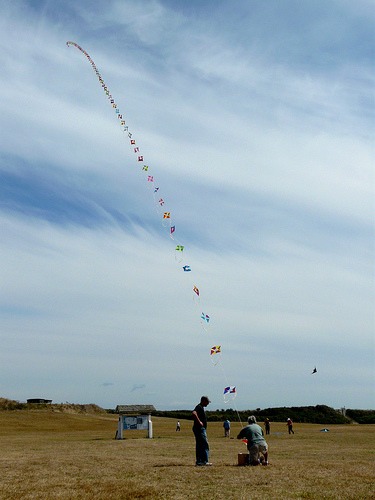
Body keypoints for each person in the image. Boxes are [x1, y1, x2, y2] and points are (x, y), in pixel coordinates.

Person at [192, 396, 212, 466]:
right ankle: (204, 461)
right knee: (204, 444)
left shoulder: (200, 407)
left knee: (200, 445)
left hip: (199, 428)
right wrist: (199, 422)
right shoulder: (199, 407)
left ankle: (199, 461)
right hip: (199, 429)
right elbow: (194, 413)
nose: (208, 404)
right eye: (207, 402)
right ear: (203, 401)